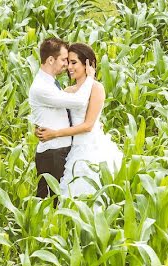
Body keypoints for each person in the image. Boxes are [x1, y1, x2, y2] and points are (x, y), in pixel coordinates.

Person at [35, 43, 122, 197]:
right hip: (72, 149)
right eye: (68, 62)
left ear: (88, 64)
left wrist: (55, 133)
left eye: (74, 62)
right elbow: (59, 116)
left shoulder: (96, 88)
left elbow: (88, 125)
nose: (69, 67)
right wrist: (40, 127)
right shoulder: (68, 91)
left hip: (91, 148)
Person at [28, 38, 96, 200]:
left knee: (59, 199)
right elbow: (79, 101)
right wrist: (90, 78)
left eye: (71, 61)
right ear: (51, 60)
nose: (67, 65)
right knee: (50, 199)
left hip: (62, 150)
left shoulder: (52, 84)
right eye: (64, 60)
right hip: (53, 152)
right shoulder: (41, 88)